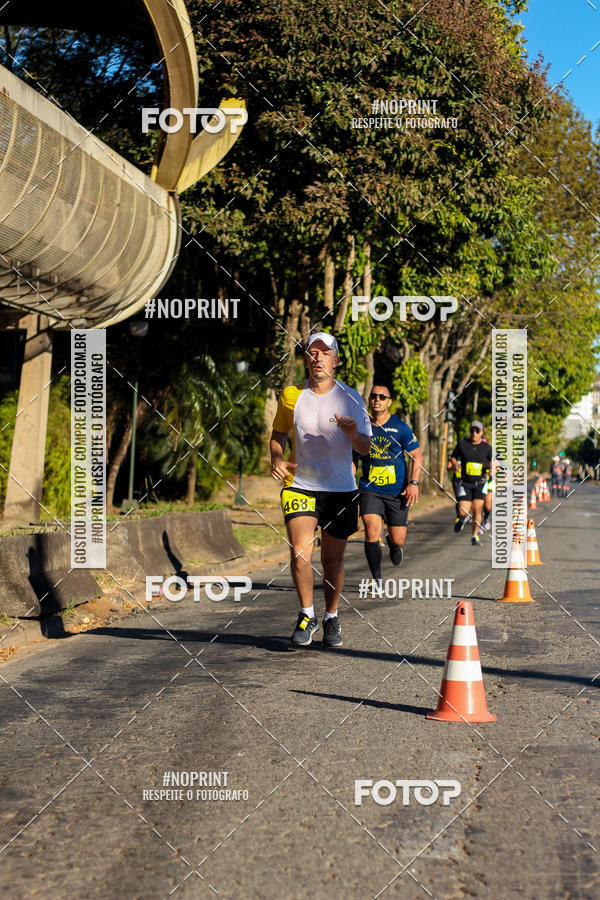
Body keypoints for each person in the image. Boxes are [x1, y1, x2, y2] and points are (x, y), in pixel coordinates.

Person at [270, 332, 371, 648]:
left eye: (324, 353)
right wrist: (276, 457)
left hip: (340, 490)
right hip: (300, 486)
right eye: (312, 353)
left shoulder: (350, 398)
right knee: (300, 553)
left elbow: (366, 447)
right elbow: (279, 433)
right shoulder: (291, 397)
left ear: (336, 360)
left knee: (332, 561)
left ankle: (330, 615)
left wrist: (353, 434)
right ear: (305, 359)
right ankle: (306, 614)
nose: (317, 358)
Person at [354, 386, 423, 592]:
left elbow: (416, 456)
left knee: (399, 538)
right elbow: (354, 456)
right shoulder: (362, 427)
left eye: (382, 397)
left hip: (397, 492)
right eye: (374, 396)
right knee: (370, 528)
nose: (377, 400)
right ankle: (377, 580)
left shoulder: (400, 427)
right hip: (370, 488)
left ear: (389, 402)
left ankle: (393, 543)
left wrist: (414, 483)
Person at [450, 421, 493, 546]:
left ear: (481, 432)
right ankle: (462, 519)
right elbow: (453, 456)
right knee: (463, 511)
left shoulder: (487, 448)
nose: (474, 433)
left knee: (477, 511)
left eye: (477, 431)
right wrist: (455, 464)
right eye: (472, 430)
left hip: (480, 483)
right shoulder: (463, 445)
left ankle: (475, 536)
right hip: (466, 483)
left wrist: (492, 469)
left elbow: (493, 461)